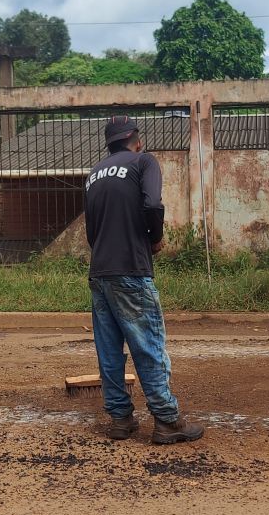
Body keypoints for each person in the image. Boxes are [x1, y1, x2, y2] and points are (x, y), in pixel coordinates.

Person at [85, 116, 204, 445]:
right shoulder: (143, 162)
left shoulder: (94, 174)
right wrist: (155, 238)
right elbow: (152, 204)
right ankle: (167, 420)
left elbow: (91, 232)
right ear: (134, 138)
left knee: (109, 350)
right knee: (148, 345)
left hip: (100, 272)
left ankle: (120, 420)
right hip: (131, 270)